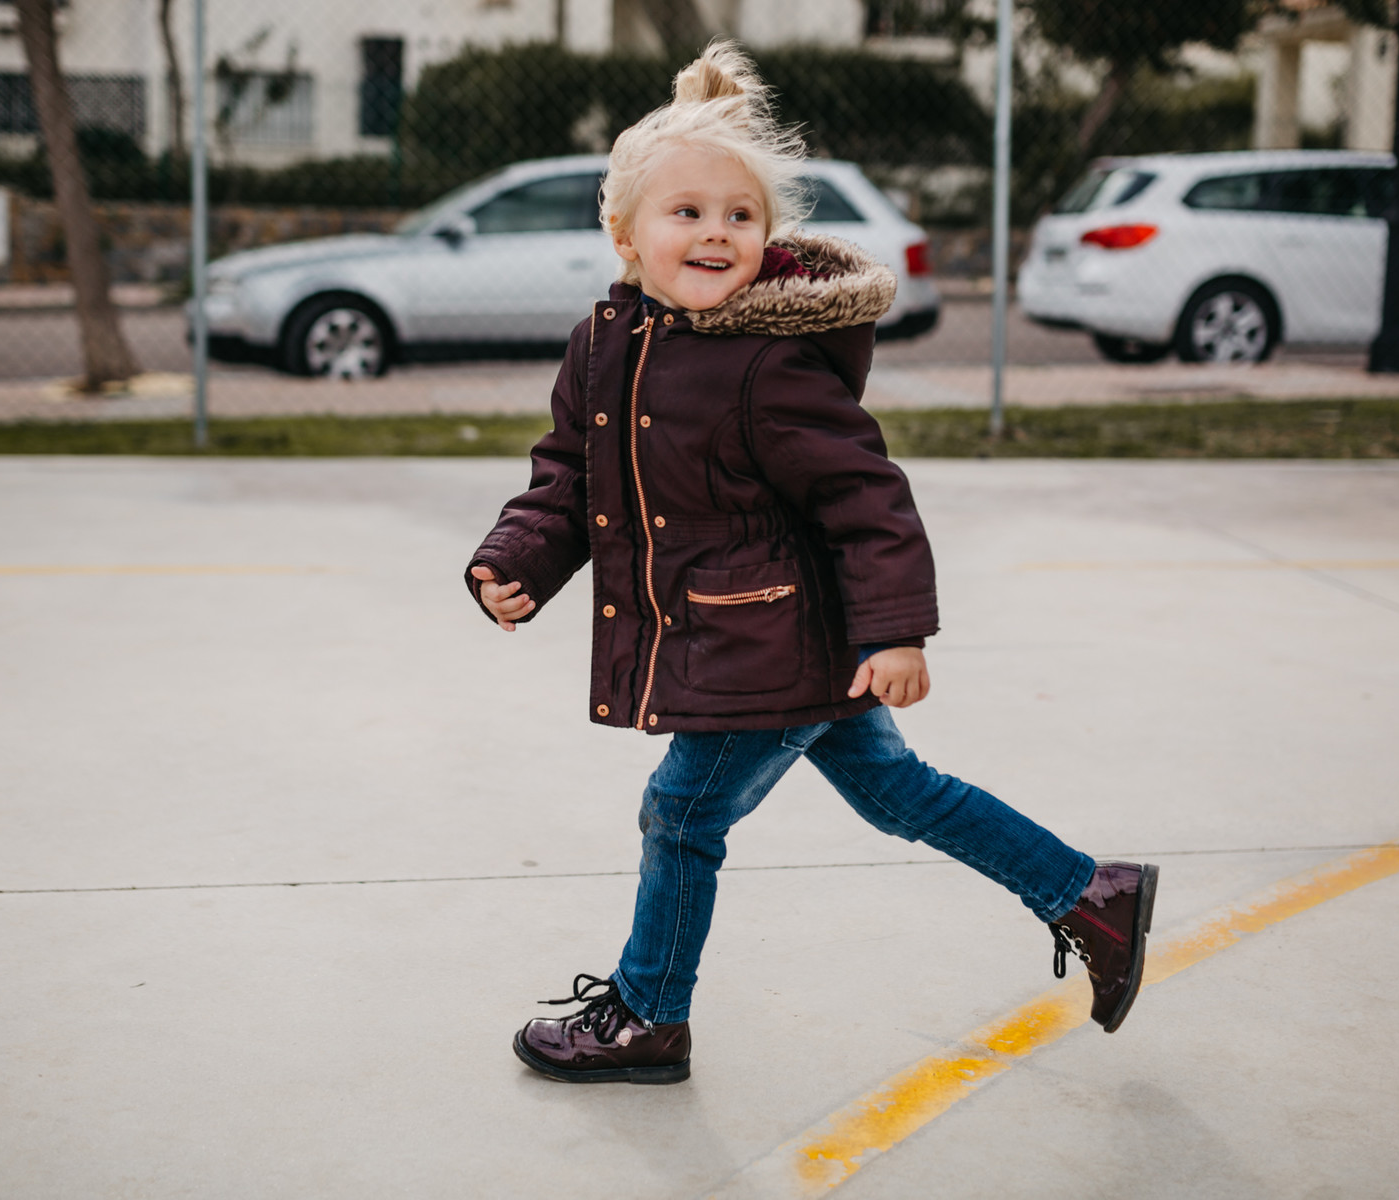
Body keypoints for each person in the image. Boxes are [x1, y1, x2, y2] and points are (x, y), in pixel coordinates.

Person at [466, 41, 1158, 1086]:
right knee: (895, 792)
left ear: (766, 235)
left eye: (739, 216)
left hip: (766, 640)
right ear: (626, 233)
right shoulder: (604, 344)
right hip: (758, 639)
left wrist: (896, 631)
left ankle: (651, 1014)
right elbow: (571, 471)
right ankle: (1089, 896)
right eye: (686, 213)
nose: (715, 233)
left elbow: (865, 494)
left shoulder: (767, 361)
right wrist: (517, 556)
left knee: (682, 811)